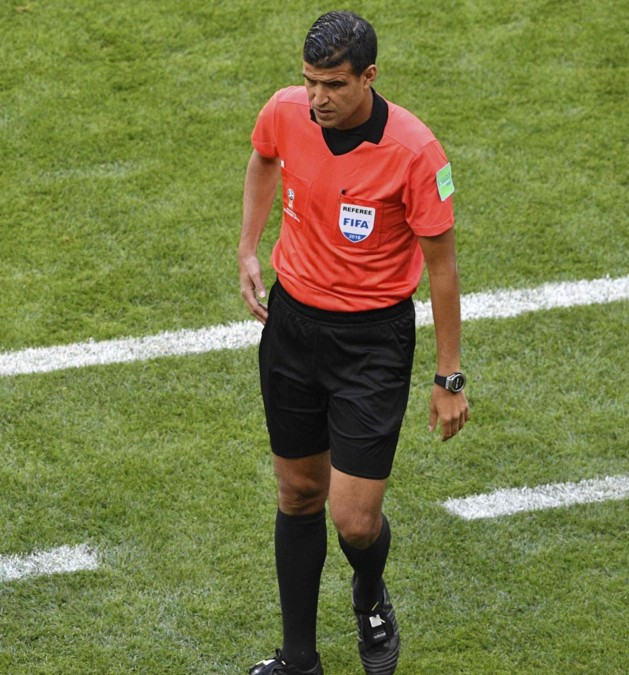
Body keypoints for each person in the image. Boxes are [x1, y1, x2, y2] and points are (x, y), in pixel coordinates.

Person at [238, 12, 469, 675]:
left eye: (334, 85)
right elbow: (263, 157)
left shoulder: (417, 153)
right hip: (292, 329)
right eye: (310, 81)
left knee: (355, 521)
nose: (318, 99)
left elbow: (443, 269)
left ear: (369, 77)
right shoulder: (286, 111)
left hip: (372, 342)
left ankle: (369, 591)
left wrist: (448, 377)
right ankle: (299, 660)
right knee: (297, 493)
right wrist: (248, 247)